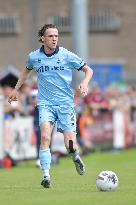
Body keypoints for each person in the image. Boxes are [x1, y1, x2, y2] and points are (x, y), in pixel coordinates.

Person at [8, 24, 93, 188]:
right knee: (45, 137)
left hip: (65, 105)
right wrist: (16, 90)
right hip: (45, 104)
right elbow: (26, 71)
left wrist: (84, 83)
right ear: (43, 38)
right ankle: (46, 176)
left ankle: (75, 157)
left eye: (56, 36)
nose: (54, 39)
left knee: (70, 145)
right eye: (51, 36)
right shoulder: (34, 57)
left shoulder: (66, 55)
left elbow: (88, 70)